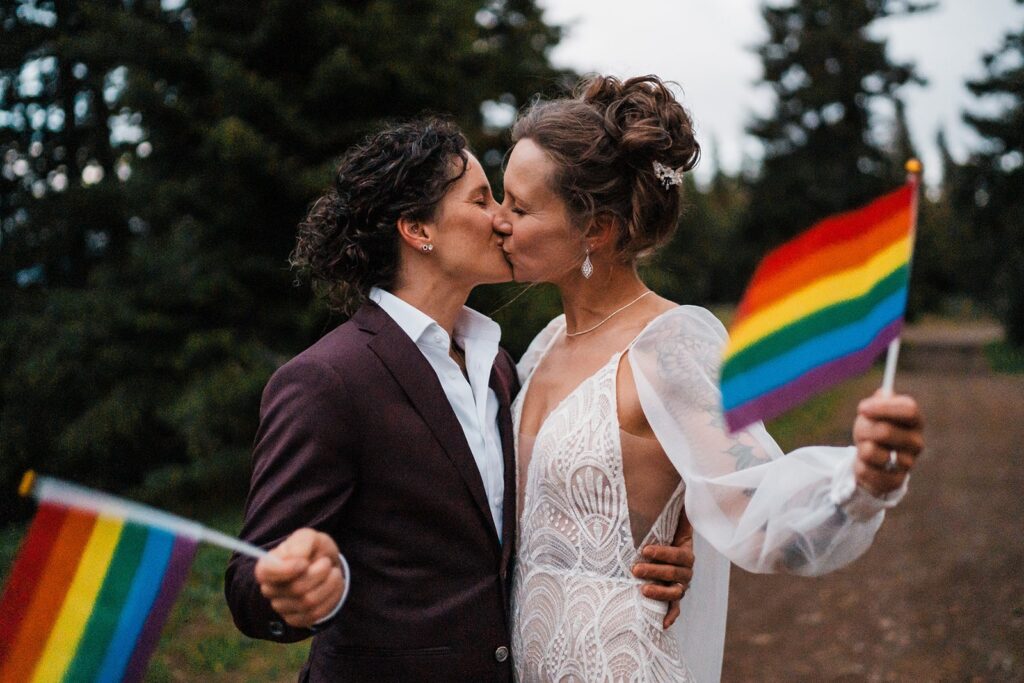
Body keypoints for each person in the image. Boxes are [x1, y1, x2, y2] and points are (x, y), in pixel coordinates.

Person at [223, 118, 696, 682]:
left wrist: (676, 537)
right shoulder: (329, 381)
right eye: (481, 200)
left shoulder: (500, 367)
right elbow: (250, 580)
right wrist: (287, 594)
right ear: (418, 228)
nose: (502, 218)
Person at [493, 75, 925, 683]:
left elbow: (754, 497)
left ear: (595, 229)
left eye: (520, 206)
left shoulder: (670, 346)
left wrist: (859, 480)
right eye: (499, 199)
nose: (498, 221)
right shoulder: (537, 351)